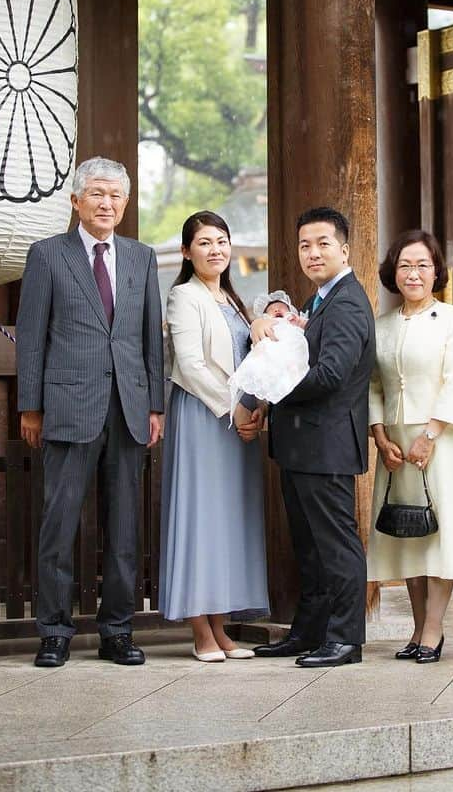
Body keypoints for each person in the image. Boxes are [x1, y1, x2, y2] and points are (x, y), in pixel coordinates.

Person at [16, 157, 165, 668]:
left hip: (128, 408)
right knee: (59, 524)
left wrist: (155, 406)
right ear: (76, 201)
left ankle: (117, 632)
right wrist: (30, 407)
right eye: (97, 194)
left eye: (115, 196)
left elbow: (150, 338)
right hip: (67, 407)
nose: (106, 204)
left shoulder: (143, 257)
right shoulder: (47, 255)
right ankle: (54, 632)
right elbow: (31, 338)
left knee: (125, 529)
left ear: (125, 203)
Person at [250, 207, 376, 668]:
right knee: (309, 546)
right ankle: (310, 631)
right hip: (304, 445)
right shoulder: (320, 300)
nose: (313, 252)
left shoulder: (346, 302)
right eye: (305, 244)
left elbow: (329, 375)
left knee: (336, 545)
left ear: (344, 249)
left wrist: (270, 387)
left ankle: (345, 638)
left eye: (323, 243)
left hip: (327, 446)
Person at [367, 230, 453, 663]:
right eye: (404, 265)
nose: (413, 273)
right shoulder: (382, 325)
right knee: (407, 533)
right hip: (395, 441)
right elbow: (374, 384)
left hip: (441, 438)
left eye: (422, 265)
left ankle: (433, 630)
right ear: (392, 273)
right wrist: (379, 434)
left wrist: (430, 434)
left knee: (441, 534)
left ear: (436, 272)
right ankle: (417, 628)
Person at [160, 212, 270, 662]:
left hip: (239, 421)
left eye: (222, 241)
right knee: (201, 517)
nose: (216, 250)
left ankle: (222, 629)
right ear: (187, 252)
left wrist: (258, 406)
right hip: (204, 416)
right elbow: (189, 364)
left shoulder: (233, 298)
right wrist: (235, 408)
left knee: (229, 521)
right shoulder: (183, 296)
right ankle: (200, 631)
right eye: (204, 242)